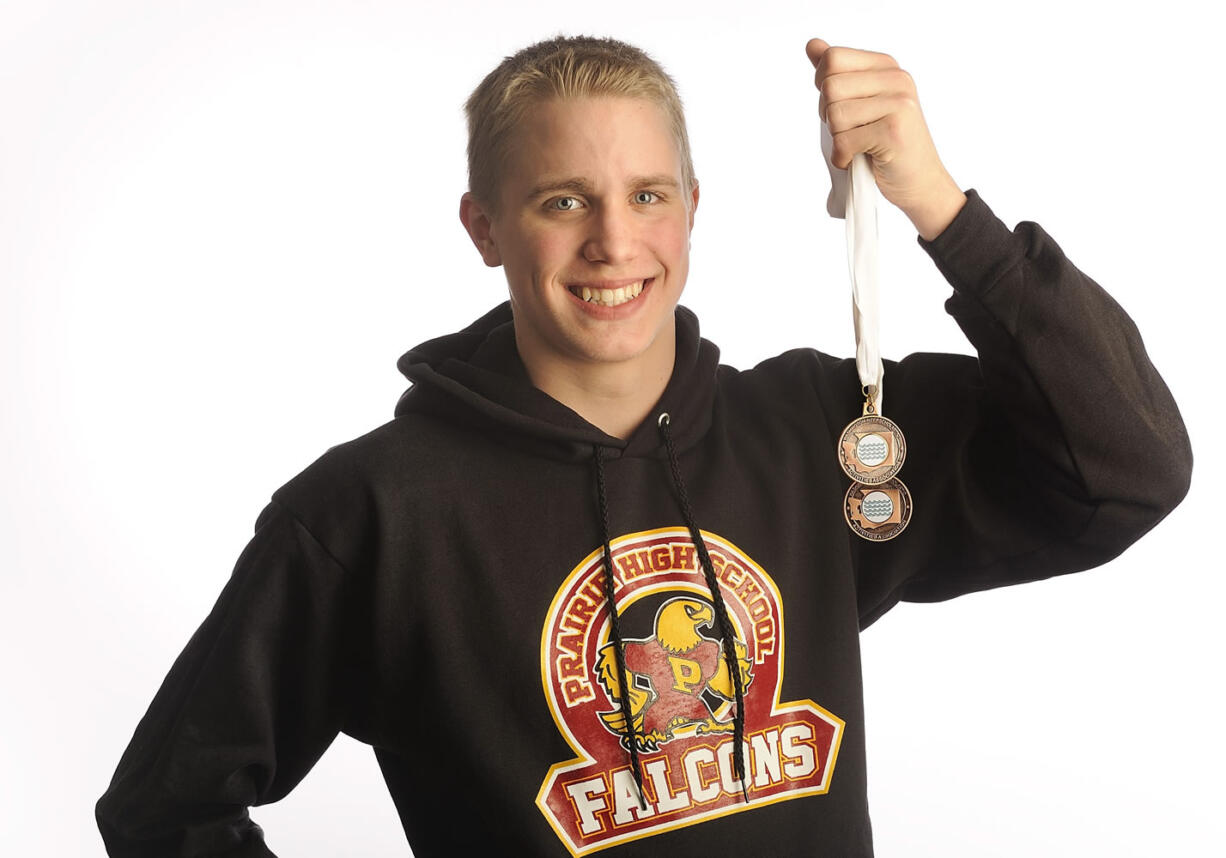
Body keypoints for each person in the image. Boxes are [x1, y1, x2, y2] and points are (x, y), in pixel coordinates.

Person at [96, 34, 1192, 857]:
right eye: (562, 201)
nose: (613, 242)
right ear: (482, 226)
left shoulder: (815, 433)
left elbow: (1123, 468)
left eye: (646, 195)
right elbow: (166, 807)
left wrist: (939, 208)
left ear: (692, 210)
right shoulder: (374, 513)